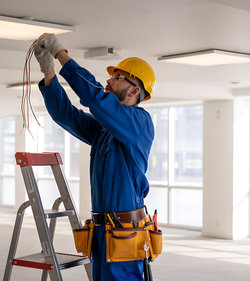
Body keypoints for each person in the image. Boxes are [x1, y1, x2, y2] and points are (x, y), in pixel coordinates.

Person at [34, 33, 156, 281]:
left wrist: (61, 53)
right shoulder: (104, 129)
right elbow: (66, 115)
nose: (109, 80)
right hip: (102, 230)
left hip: (125, 232)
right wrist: (48, 73)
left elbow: (95, 98)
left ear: (134, 89)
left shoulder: (139, 122)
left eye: (117, 77)